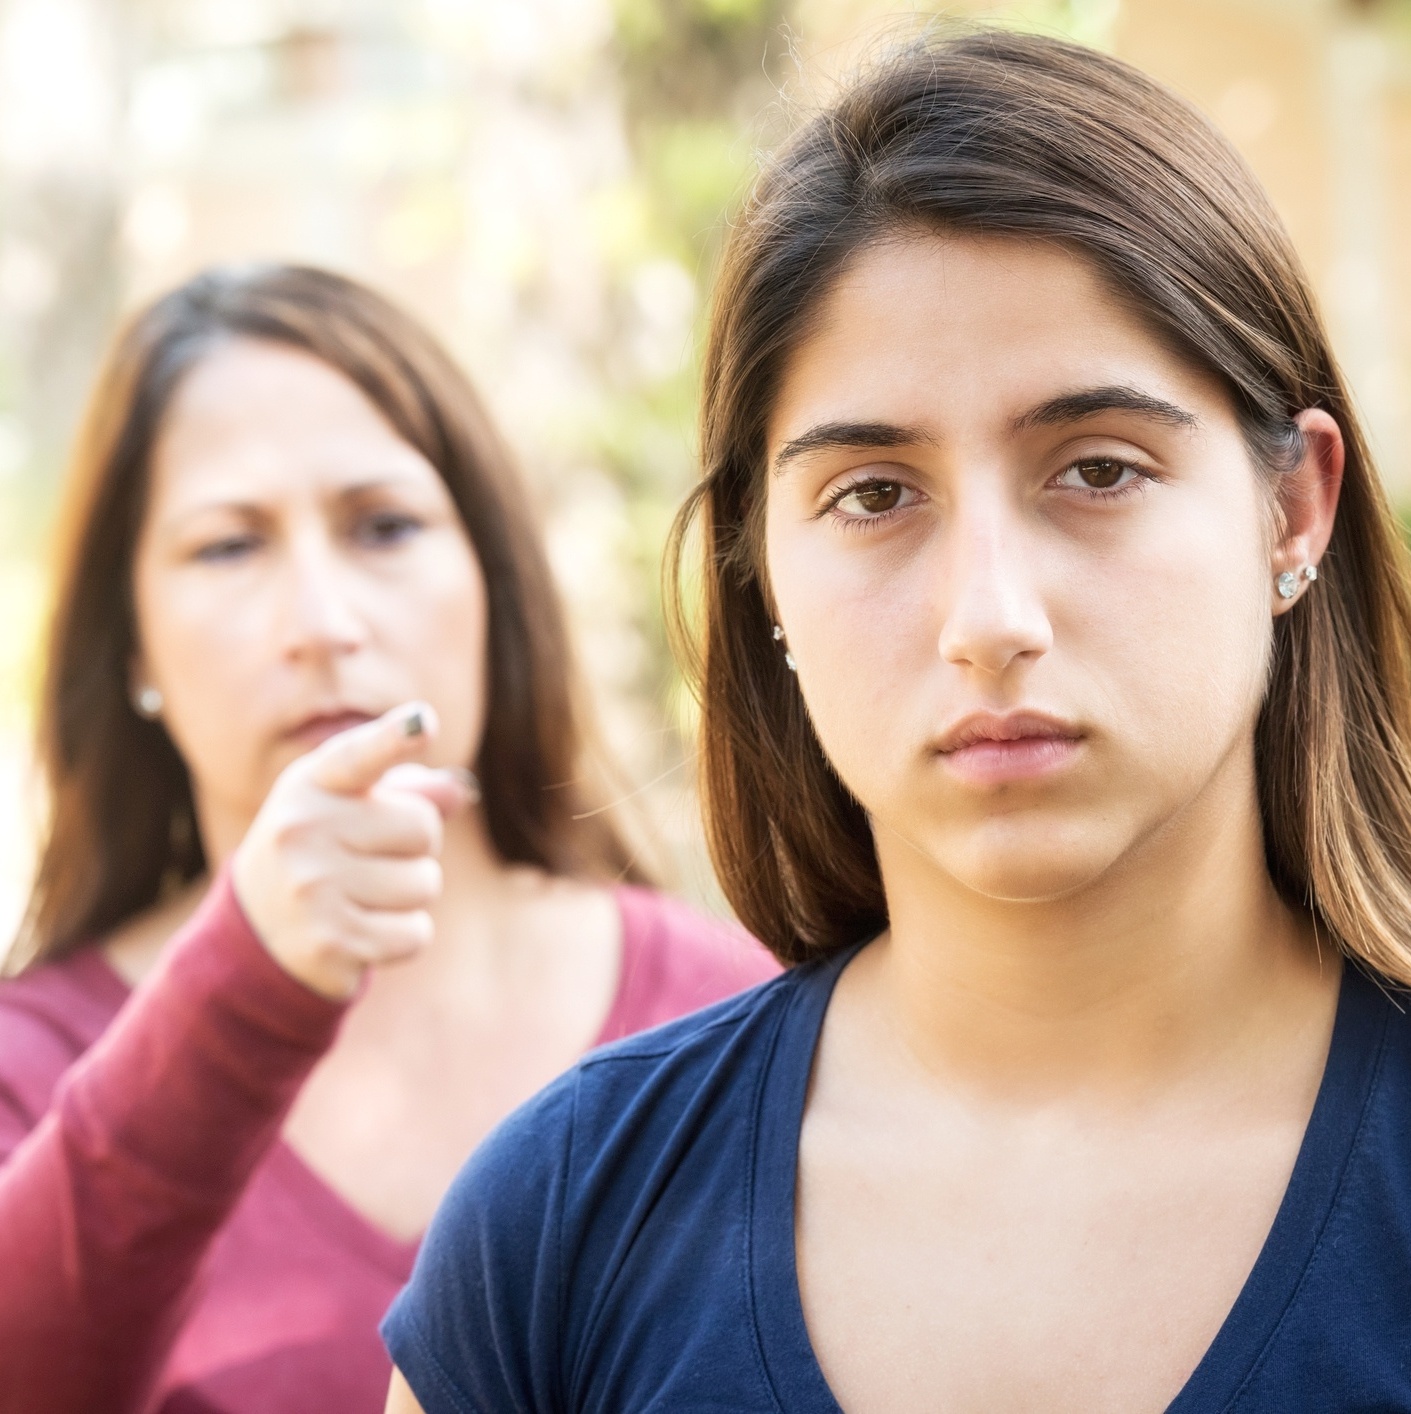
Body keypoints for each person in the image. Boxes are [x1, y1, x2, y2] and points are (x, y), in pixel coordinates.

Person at [381, 28, 1411, 1414]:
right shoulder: (557, 1227)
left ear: (1290, 507)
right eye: (872, 493)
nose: (985, 615)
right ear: (763, 576)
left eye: (1094, 469)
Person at [0, 264, 777, 1414]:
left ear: (493, 587)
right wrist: (245, 984)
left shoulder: (724, 1012)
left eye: (383, 527)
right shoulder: (35, 1067)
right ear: (133, 653)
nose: (321, 623)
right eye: (227, 546)